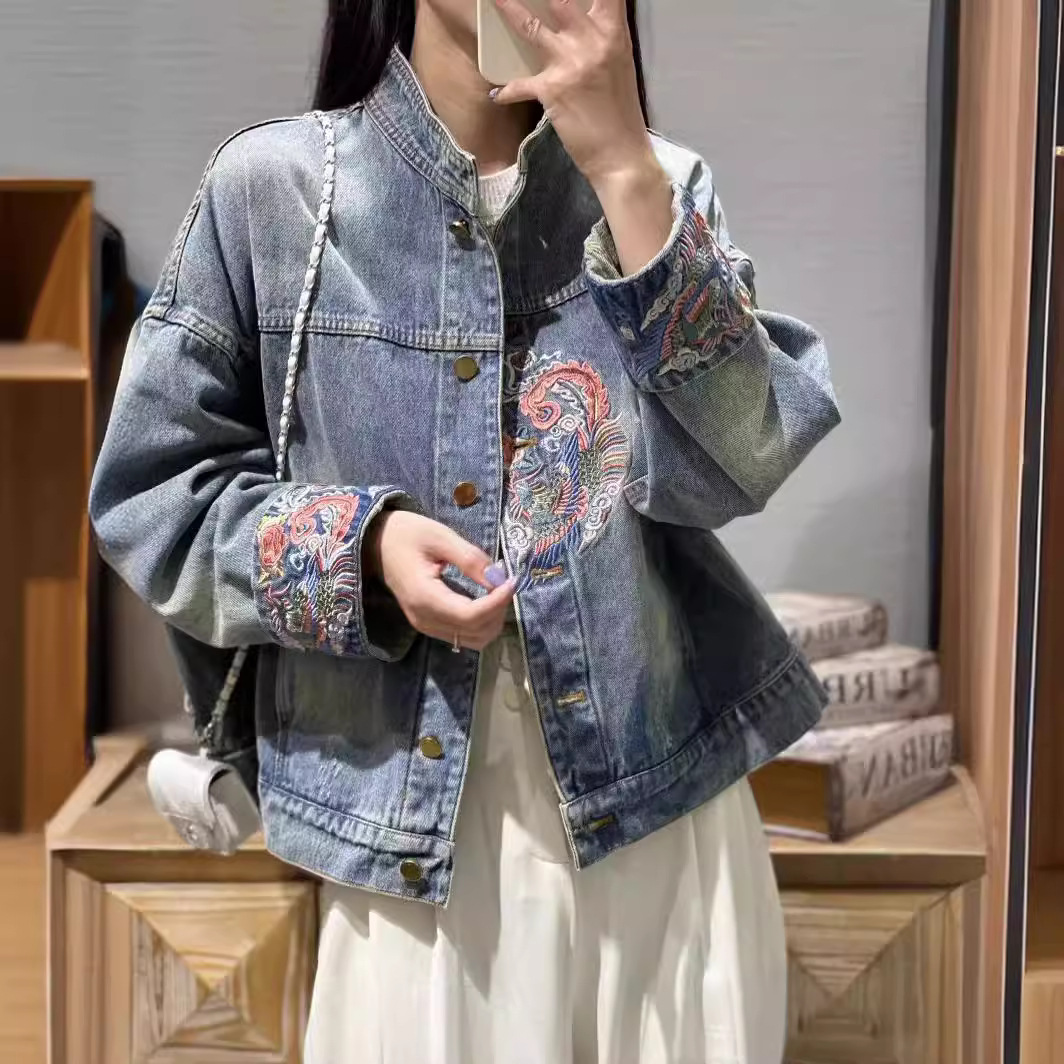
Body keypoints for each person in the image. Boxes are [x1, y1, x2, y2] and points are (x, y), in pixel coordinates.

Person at [90, 0, 840, 1060]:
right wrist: (362, 550)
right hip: (412, 853)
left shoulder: (661, 185)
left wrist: (622, 169)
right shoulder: (277, 193)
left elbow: (738, 465)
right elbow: (153, 493)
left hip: (664, 837)